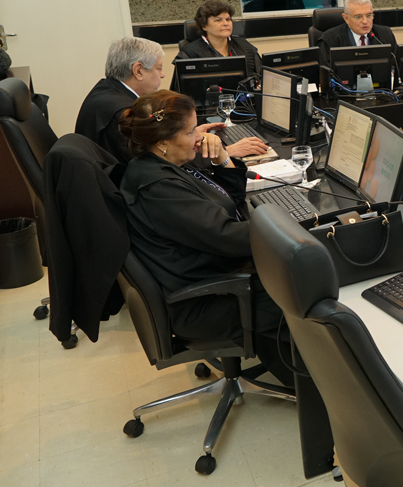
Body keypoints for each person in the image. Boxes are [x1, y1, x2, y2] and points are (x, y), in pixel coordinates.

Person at [118, 90, 292, 386]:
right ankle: (315, 384)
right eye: (190, 131)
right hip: (205, 302)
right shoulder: (160, 188)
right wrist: (289, 226)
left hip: (213, 279)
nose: (199, 137)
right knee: (297, 286)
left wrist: (223, 158)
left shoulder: (163, 164)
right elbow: (227, 236)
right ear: (163, 141)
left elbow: (229, 204)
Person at [76, 37, 267, 165]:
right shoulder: (123, 113)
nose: (163, 74)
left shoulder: (106, 91)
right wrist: (225, 152)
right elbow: (156, 165)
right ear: (138, 70)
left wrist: (186, 135)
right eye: (158, 68)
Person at [176, 0, 262, 77]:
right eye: (218, 20)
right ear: (204, 26)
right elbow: (181, 87)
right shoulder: (190, 53)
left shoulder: (245, 46)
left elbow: (263, 76)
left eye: (228, 19)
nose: (226, 23)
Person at [319, 0, 399, 53]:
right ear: (346, 18)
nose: (365, 21)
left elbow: (396, 64)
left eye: (368, 15)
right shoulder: (330, 40)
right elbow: (325, 70)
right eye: (358, 17)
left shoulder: (385, 34)